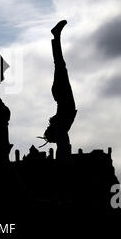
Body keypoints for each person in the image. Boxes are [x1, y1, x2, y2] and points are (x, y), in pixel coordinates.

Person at [39, 20, 77, 159]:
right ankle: (56, 36)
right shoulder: (62, 126)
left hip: (61, 93)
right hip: (61, 93)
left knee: (60, 63)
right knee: (60, 64)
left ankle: (56, 36)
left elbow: (63, 144)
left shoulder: (61, 126)